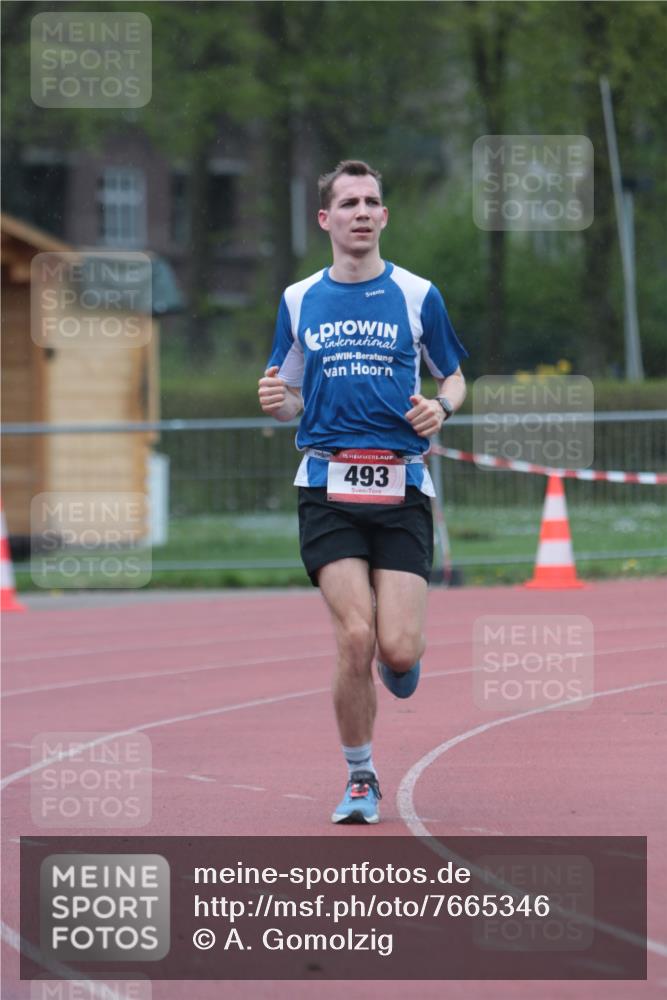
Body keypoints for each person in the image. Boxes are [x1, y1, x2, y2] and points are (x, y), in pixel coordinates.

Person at [258, 160, 467, 824]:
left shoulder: (416, 293)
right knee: (355, 636)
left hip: (401, 485)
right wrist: (275, 400)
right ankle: (359, 778)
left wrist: (442, 407)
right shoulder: (298, 300)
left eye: (371, 201)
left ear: (383, 217)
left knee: (397, 650)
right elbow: (286, 394)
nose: (360, 211)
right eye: (347, 202)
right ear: (325, 219)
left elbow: (456, 378)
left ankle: (398, 664)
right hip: (327, 484)